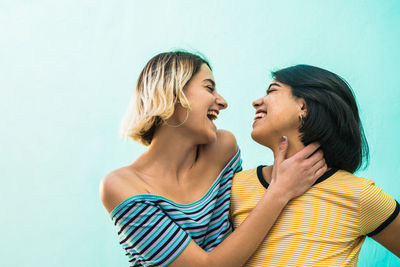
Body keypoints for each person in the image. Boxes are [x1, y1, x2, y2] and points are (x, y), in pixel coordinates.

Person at [99, 52, 327, 266]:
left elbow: (247, 223)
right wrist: (280, 191)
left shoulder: (223, 149)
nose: (222, 102)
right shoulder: (121, 186)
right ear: (173, 92)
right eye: (209, 88)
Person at [230, 64, 400, 266]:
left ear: (303, 106)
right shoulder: (234, 187)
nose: (256, 101)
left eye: (272, 90)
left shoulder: (360, 195)